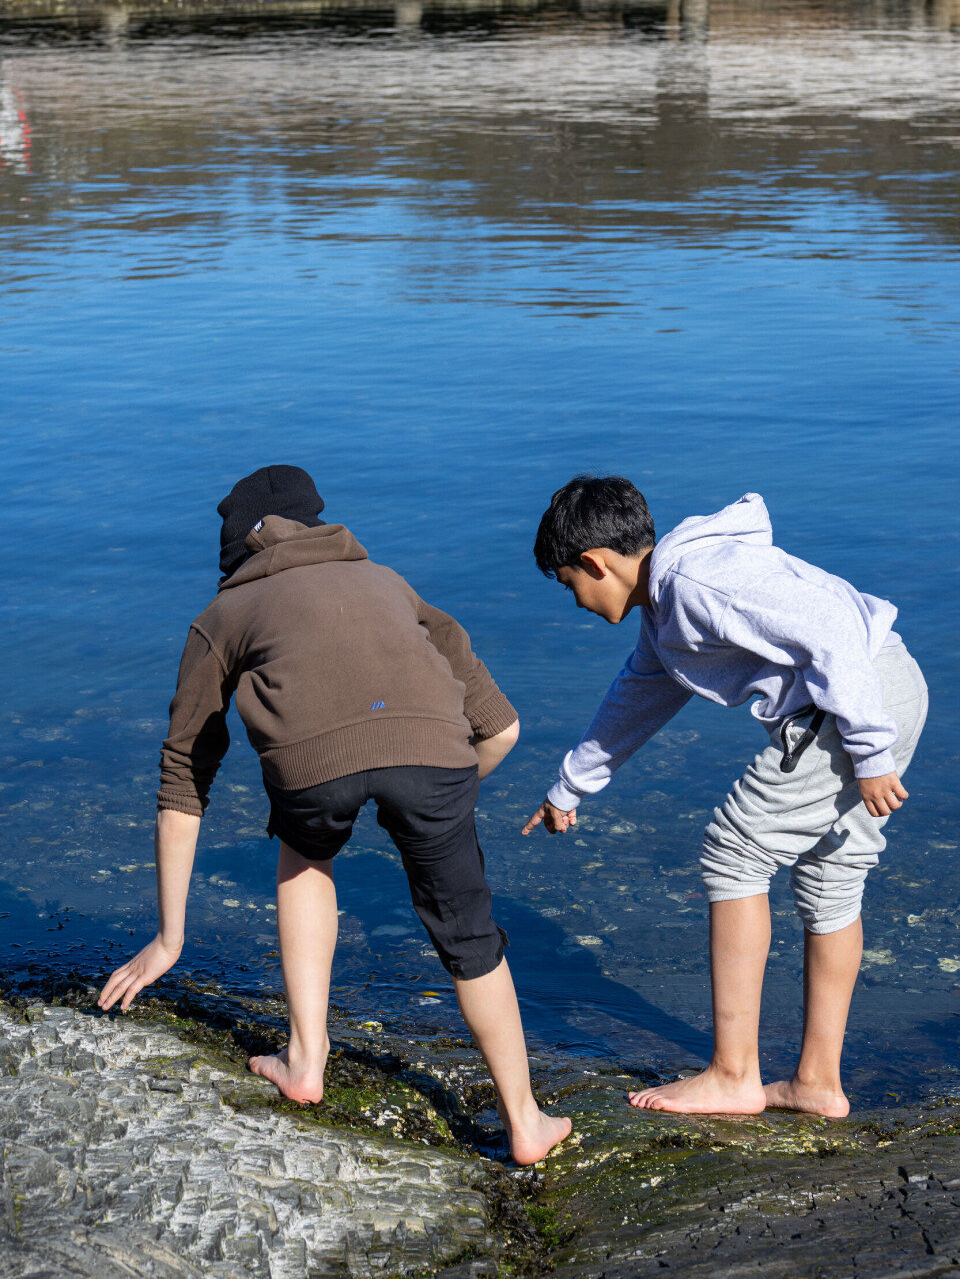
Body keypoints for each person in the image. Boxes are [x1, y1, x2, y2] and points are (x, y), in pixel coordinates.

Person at [99, 465, 570, 1165]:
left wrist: (170, 939)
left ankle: (305, 1060)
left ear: (238, 551)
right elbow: (501, 730)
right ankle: (526, 1122)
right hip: (434, 752)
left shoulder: (223, 614)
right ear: (321, 527)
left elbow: (184, 774)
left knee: (304, 853)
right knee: (471, 939)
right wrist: (437, 803)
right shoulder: (389, 582)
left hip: (312, 768)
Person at [523, 476, 927, 1119]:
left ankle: (733, 1074)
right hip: (884, 684)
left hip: (854, 702)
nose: (575, 601)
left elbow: (829, 630)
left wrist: (871, 751)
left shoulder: (697, 584)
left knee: (734, 851)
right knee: (831, 876)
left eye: (570, 583)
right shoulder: (667, 608)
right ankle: (817, 1082)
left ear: (597, 563)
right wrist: (570, 785)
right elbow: (639, 698)